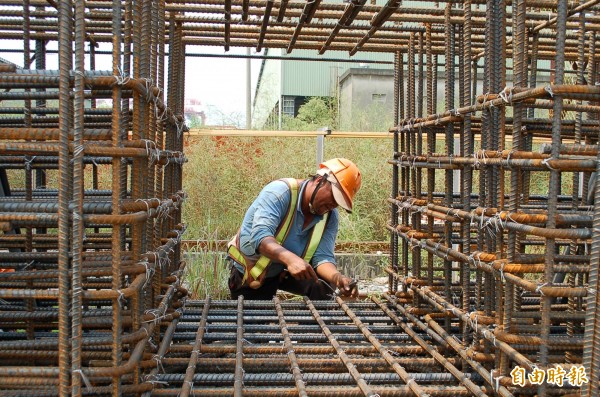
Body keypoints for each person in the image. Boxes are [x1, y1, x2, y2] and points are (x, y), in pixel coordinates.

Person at [226, 158, 362, 300]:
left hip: (284, 271)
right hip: (252, 273)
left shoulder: (329, 216)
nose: (333, 205)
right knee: (254, 320)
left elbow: (323, 257)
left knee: (324, 286)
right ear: (319, 181)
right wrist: (291, 260)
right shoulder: (279, 192)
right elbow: (260, 238)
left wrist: (338, 278)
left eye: (338, 203)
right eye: (334, 197)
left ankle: (317, 322)